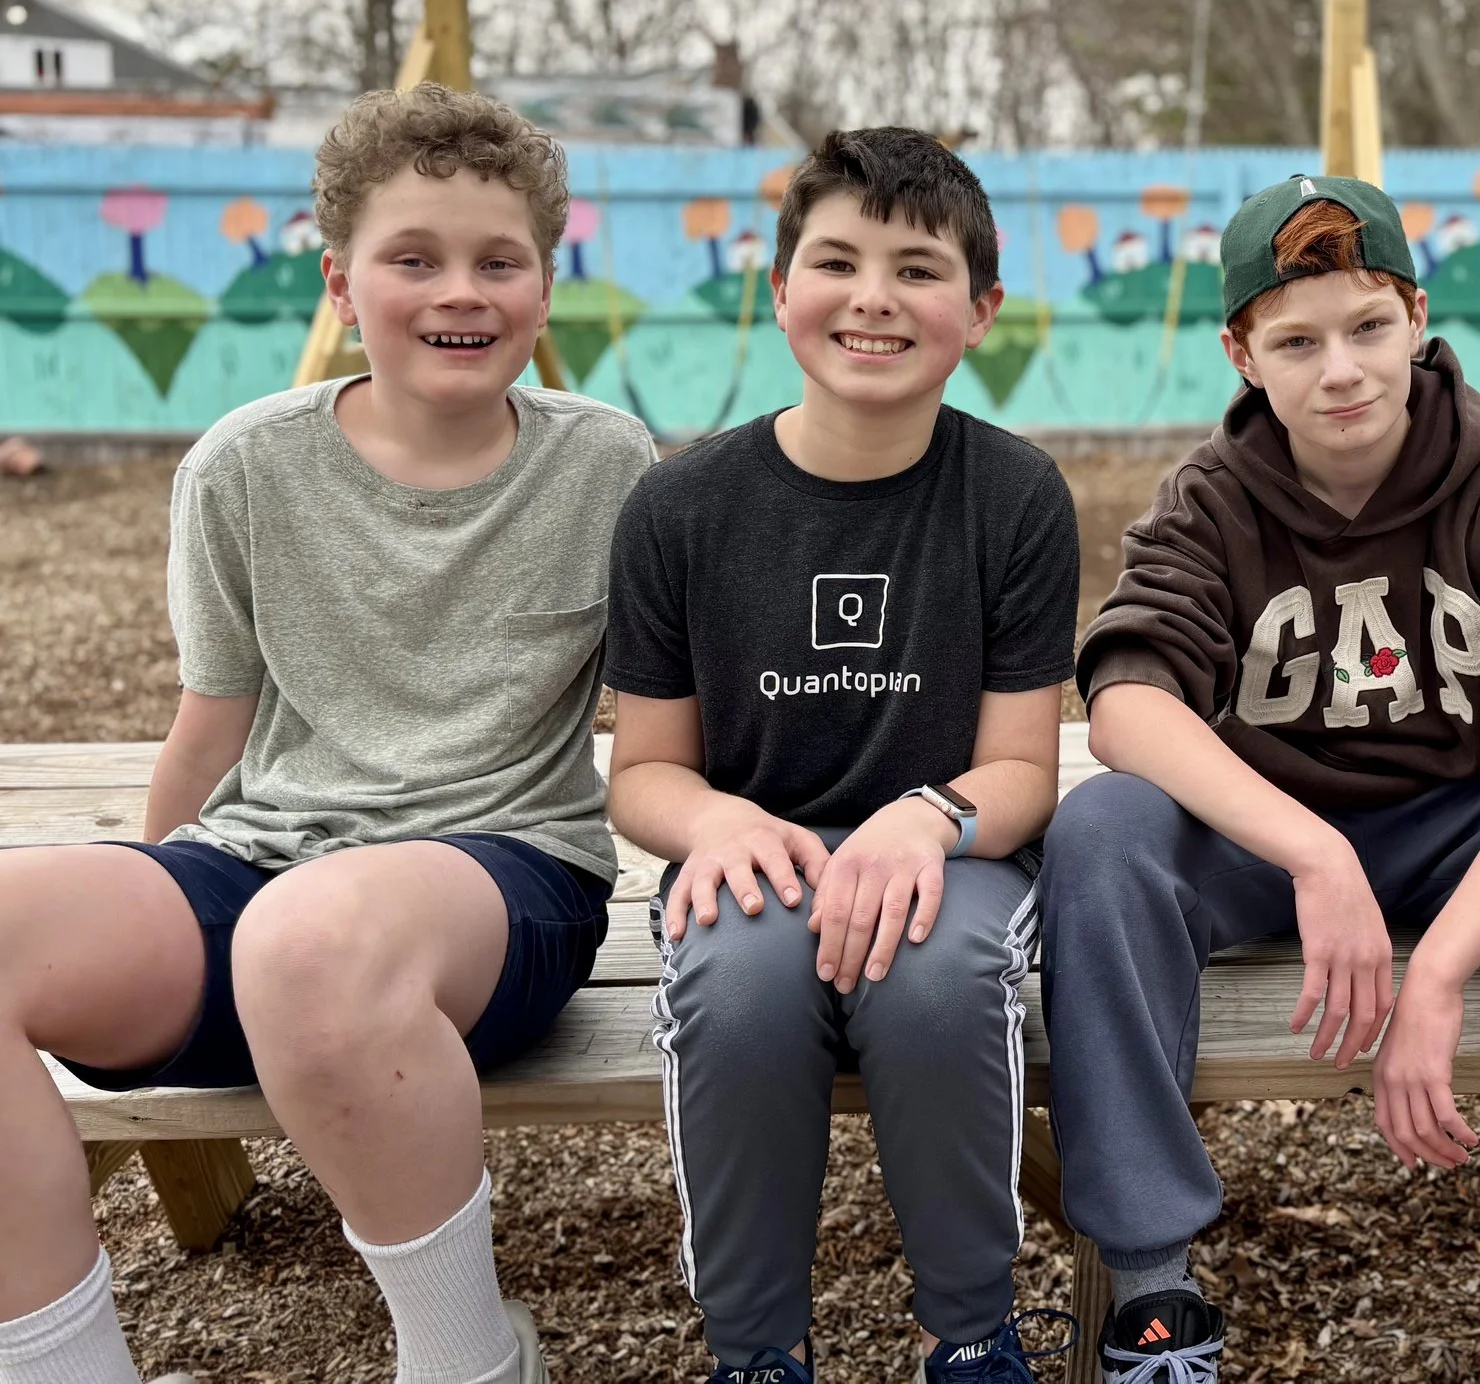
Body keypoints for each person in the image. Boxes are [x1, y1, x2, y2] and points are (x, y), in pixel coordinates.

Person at [0, 82, 652, 1384]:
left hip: (504, 880)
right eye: (413, 257)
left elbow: (671, 725)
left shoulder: (612, 466)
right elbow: (211, 723)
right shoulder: (243, 467)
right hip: (266, 862)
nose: (459, 291)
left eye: (497, 260)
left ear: (544, 280)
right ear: (340, 279)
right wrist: (158, 904)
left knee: (313, 937)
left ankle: (470, 1360)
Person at [1039, 175, 1480, 1384]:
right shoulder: (1212, 498)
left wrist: (1442, 970)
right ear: (1242, 354)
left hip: (1471, 818)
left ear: (1417, 317)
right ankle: (1152, 1294)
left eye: (1367, 327)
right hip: (1275, 833)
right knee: (1102, 834)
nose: (1341, 369)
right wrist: (1314, 850)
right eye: (1296, 341)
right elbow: (1126, 703)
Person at [601, 127, 1080, 1384]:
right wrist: (711, 823)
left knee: (934, 983)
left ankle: (969, 1331)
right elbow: (645, 771)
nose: (874, 297)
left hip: (951, 850)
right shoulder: (679, 508)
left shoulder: (1016, 496)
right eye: (836, 260)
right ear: (778, 292)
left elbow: (1023, 768)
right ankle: (757, 1348)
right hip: (756, 852)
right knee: (744, 990)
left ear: (979, 311)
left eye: (917, 269)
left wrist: (926, 818)